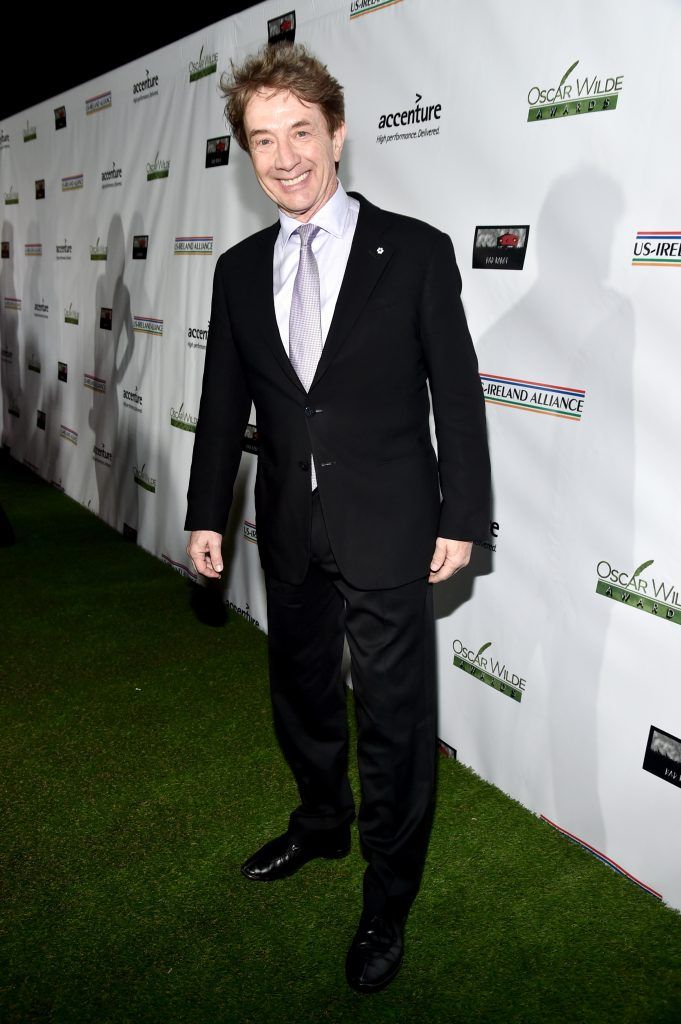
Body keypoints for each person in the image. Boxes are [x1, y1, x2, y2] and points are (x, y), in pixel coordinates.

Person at [185, 42, 490, 994]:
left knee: (394, 724)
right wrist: (205, 512)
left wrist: (463, 515)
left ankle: (386, 896)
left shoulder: (417, 250)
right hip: (285, 527)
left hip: (394, 524)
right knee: (304, 693)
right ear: (246, 152)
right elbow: (222, 395)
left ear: (338, 133)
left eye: (300, 134)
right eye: (263, 141)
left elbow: (459, 395)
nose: (283, 159)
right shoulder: (237, 270)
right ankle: (320, 823)